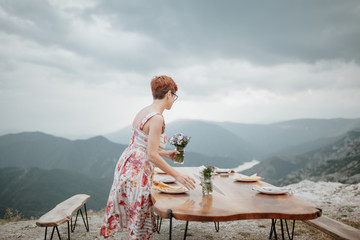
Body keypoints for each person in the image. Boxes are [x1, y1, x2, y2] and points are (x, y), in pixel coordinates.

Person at [100, 75, 196, 240]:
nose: (174, 100)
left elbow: (141, 145)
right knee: (140, 210)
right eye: (174, 96)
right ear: (168, 95)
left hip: (127, 163)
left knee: (133, 209)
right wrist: (178, 175)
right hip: (138, 170)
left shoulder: (144, 111)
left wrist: (165, 153)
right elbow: (151, 155)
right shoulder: (157, 118)